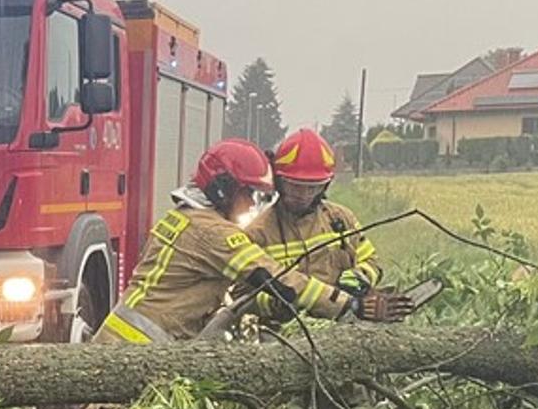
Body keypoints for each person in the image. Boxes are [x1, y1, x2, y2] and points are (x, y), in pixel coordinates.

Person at [95, 138, 393, 344]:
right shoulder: (214, 233)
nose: (253, 205)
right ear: (224, 189)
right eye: (249, 194)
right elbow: (276, 278)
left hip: (123, 337)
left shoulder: (183, 217)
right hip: (140, 345)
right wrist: (349, 305)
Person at [246, 128, 383, 297]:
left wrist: (361, 276)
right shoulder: (258, 233)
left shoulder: (341, 219)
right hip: (290, 315)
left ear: (325, 186)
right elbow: (242, 293)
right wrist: (277, 303)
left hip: (346, 312)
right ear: (279, 182)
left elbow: (372, 261)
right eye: (295, 186)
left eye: (312, 187)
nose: (304, 196)